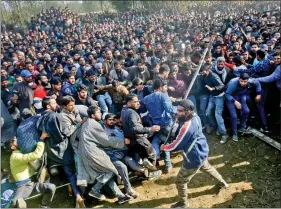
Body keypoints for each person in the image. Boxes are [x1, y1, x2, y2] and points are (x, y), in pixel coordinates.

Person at [160, 99, 229, 208]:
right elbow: (180, 117)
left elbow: (176, 145)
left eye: (179, 111)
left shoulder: (187, 127)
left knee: (180, 182)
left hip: (193, 158)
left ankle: (184, 204)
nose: (177, 112)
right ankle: (223, 182)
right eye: (177, 110)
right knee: (207, 167)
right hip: (202, 151)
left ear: (187, 111)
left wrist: (165, 148)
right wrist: (177, 116)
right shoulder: (195, 116)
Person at [76, 105, 133, 204]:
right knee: (109, 170)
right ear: (93, 115)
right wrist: (122, 141)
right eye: (98, 112)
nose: (101, 114)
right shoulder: (93, 124)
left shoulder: (87, 123)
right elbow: (106, 140)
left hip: (87, 153)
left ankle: (121, 196)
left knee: (104, 174)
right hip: (93, 153)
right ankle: (95, 190)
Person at [5, 133, 56, 208]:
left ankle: (44, 206)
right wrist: (41, 139)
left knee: (51, 187)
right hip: (23, 186)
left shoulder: (21, 151)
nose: (18, 141)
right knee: (15, 202)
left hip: (33, 184)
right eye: (15, 141)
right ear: (12, 147)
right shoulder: (15, 156)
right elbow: (36, 155)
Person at [121, 94, 160, 172]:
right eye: (135, 102)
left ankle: (143, 170)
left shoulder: (124, 111)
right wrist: (150, 129)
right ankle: (153, 173)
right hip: (139, 139)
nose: (138, 103)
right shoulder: (132, 113)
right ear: (128, 103)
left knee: (141, 156)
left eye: (138, 101)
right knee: (153, 154)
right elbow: (134, 128)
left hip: (131, 141)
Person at [143, 79, 175, 173]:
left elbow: (143, 110)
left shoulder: (146, 98)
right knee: (166, 142)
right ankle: (168, 164)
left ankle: (155, 159)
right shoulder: (163, 95)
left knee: (156, 140)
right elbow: (169, 110)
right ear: (160, 87)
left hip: (155, 124)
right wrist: (172, 101)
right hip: (166, 123)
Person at [225, 73, 261, 141]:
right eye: (241, 81)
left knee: (246, 111)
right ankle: (235, 133)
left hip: (240, 96)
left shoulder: (250, 81)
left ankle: (242, 126)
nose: (243, 83)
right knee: (234, 116)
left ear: (248, 80)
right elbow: (227, 94)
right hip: (231, 98)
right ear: (239, 79)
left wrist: (259, 93)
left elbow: (257, 82)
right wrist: (235, 102)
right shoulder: (233, 83)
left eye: (245, 82)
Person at [199, 64, 229, 144]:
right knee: (208, 112)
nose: (201, 73)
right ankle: (215, 126)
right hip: (212, 96)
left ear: (207, 70)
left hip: (219, 96)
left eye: (203, 72)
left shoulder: (214, 76)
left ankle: (224, 133)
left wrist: (213, 88)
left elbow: (222, 85)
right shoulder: (204, 76)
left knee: (217, 114)